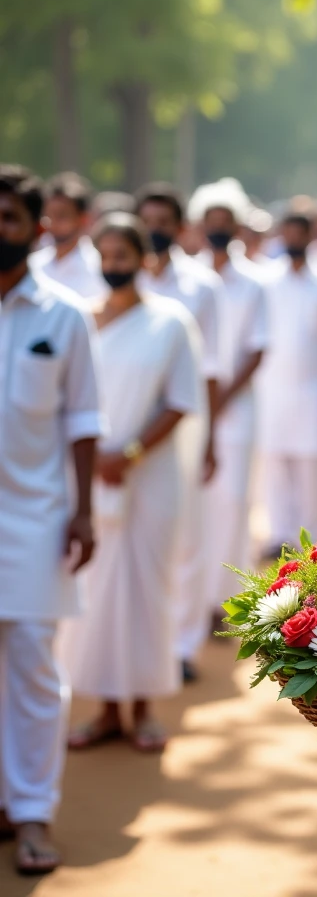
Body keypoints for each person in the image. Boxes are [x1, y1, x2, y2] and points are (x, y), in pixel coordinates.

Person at [62, 214, 201, 753]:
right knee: (96, 591)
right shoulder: (79, 320)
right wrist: (96, 457)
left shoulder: (171, 322)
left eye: (124, 255)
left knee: (146, 588)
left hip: (150, 476)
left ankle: (143, 709)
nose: (114, 265)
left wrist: (131, 453)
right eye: (107, 255)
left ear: (146, 260)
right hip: (90, 475)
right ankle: (104, 709)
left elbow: (181, 400)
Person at [0, 166, 103, 874]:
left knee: (35, 664)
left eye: (7, 217)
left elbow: (85, 418)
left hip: (37, 516)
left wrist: (86, 511)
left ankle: (33, 812)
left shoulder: (64, 314)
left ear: (36, 230)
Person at [135, 182, 222, 682]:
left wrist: (209, 439)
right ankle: (144, 645)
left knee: (186, 536)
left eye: (164, 222)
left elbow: (210, 369)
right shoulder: (117, 280)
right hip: (129, 428)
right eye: (147, 220)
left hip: (185, 422)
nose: (155, 231)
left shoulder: (201, 286)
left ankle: (183, 645)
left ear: (179, 228)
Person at [188, 180, 268, 611]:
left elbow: (258, 349)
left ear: (237, 226)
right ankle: (191, 599)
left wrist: (221, 396)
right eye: (211, 220)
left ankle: (226, 600)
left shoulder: (254, 282)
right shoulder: (188, 277)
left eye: (226, 221)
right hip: (188, 408)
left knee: (233, 500)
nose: (218, 227)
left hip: (236, 409)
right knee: (194, 503)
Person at [257, 213, 317, 553]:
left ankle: (310, 540)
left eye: (300, 234)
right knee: (275, 461)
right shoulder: (265, 280)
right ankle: (278, 533)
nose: (293, 241)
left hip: (315, 389)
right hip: (272, 388)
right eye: (288, 234)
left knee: (311, 466)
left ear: (311, 237)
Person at [29, 172, 104, 299]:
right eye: (48, 215)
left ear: (83, 218)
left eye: (62, 215)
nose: (53, 222)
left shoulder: (98, 269)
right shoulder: (33, 264)